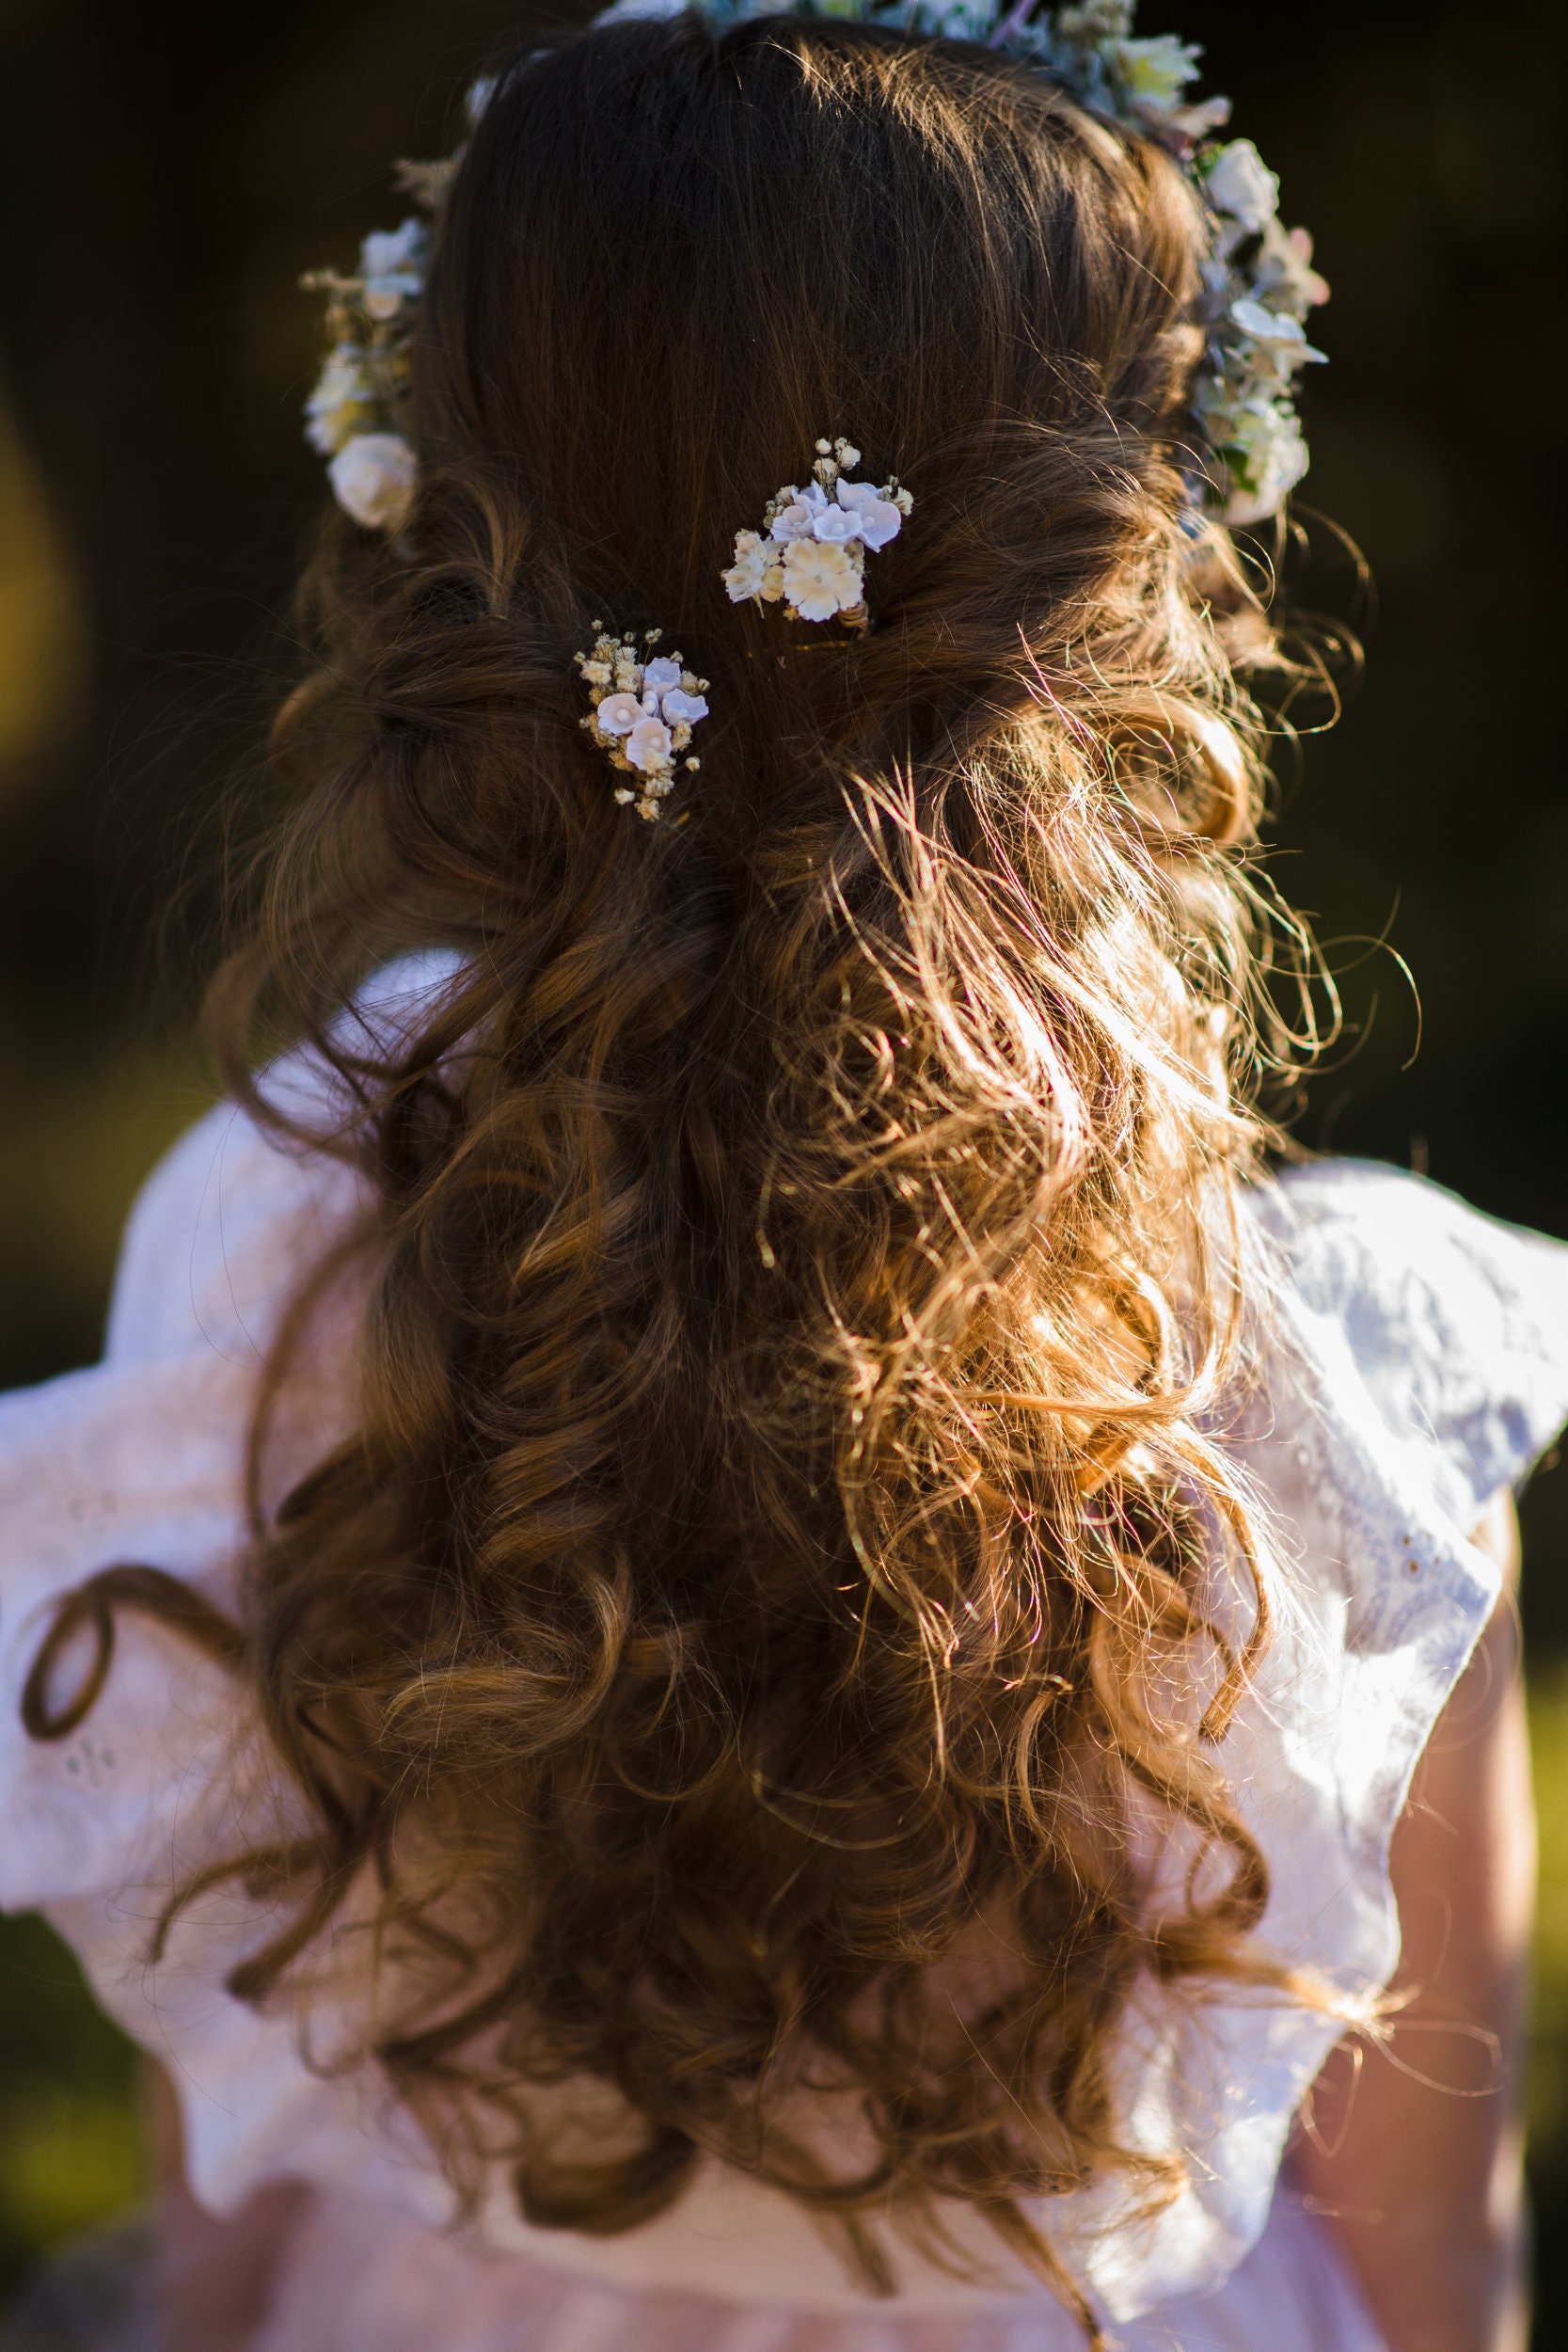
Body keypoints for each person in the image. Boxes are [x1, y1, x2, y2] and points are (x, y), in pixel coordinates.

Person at [0, 8, 1556, 2349]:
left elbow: (221, 2139)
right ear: (1113, 601)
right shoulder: (1342, 1390)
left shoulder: (282, 1234)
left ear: (472, 516)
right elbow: (1434, 2246)